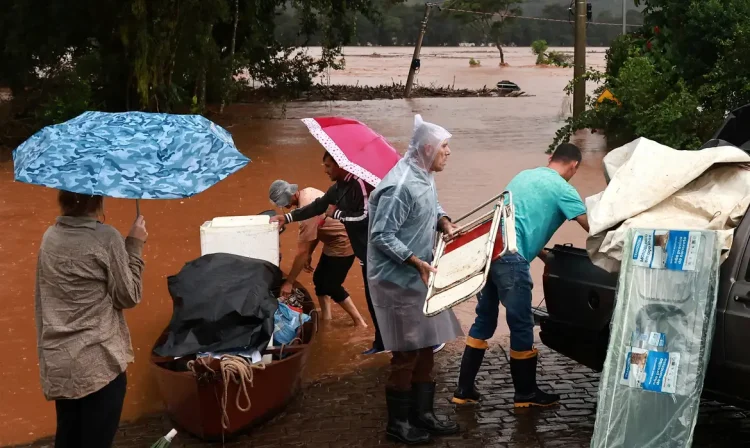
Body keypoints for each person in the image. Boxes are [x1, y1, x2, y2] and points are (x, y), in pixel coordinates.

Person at [452, 143, 590, 409]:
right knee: (522, 324)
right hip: (512, 261)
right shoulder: (564, 189)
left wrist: (541, 254)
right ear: (574, 166)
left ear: (550, 158)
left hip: (490, 253)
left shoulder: (522, 176)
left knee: (484, 319)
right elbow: (591, 228)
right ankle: (525, 394)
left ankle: (464, 389)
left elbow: (518, 222)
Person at [368, 114, 463, 445]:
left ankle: (422, 414)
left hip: (420, 273)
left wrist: (445, 222)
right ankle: (398, 423)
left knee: (427, 347)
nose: (448, 152)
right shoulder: (400, 185)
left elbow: (433, 206)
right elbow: (381, 234)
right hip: (397, 279)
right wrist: (414, 261)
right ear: (427, 148)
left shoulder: (424, 174)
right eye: (444, 147)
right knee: (406, 352)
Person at [35, 191, 147, 448]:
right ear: (98, 199)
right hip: (99, 366)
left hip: (61, 364)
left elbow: (44, 299)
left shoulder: (50, 237)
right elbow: (128, 297)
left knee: (69, 439)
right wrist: (135, 245)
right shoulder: (106, 238)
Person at [268, 180, 368, 327]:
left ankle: (359, 322)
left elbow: (301, 251)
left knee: (331, 285)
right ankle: (327, 318)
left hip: (343, 242)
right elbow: (317, 230)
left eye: (284, 203)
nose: (284, 207)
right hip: (333, 240)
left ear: (291, 195)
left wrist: (289, 282)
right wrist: (310, 253)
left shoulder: (306, 211)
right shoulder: (308, 191)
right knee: (319, 280)